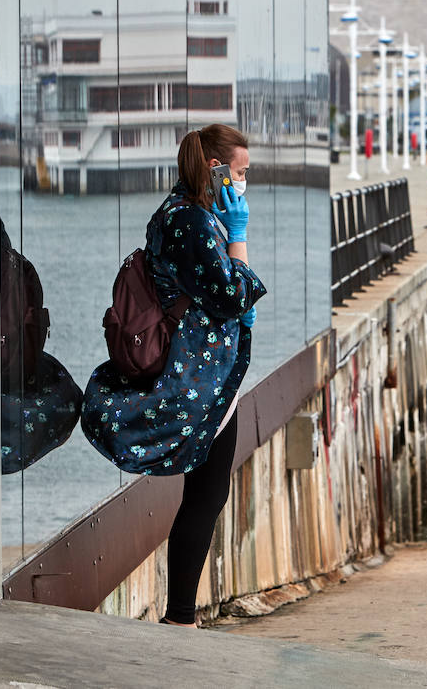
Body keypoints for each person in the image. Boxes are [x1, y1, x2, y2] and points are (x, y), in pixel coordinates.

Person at [81, 123, 266, 628]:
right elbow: (232, 295)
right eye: (241, 172)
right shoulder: (189, 222)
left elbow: (228, 295)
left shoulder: (189, 216)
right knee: (205, 496)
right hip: (197, 378)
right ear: (217, 170)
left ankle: (182, 613)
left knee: (207, 493)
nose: (245, 182)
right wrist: (240, 235)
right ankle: (181, 616)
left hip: (207, 373)